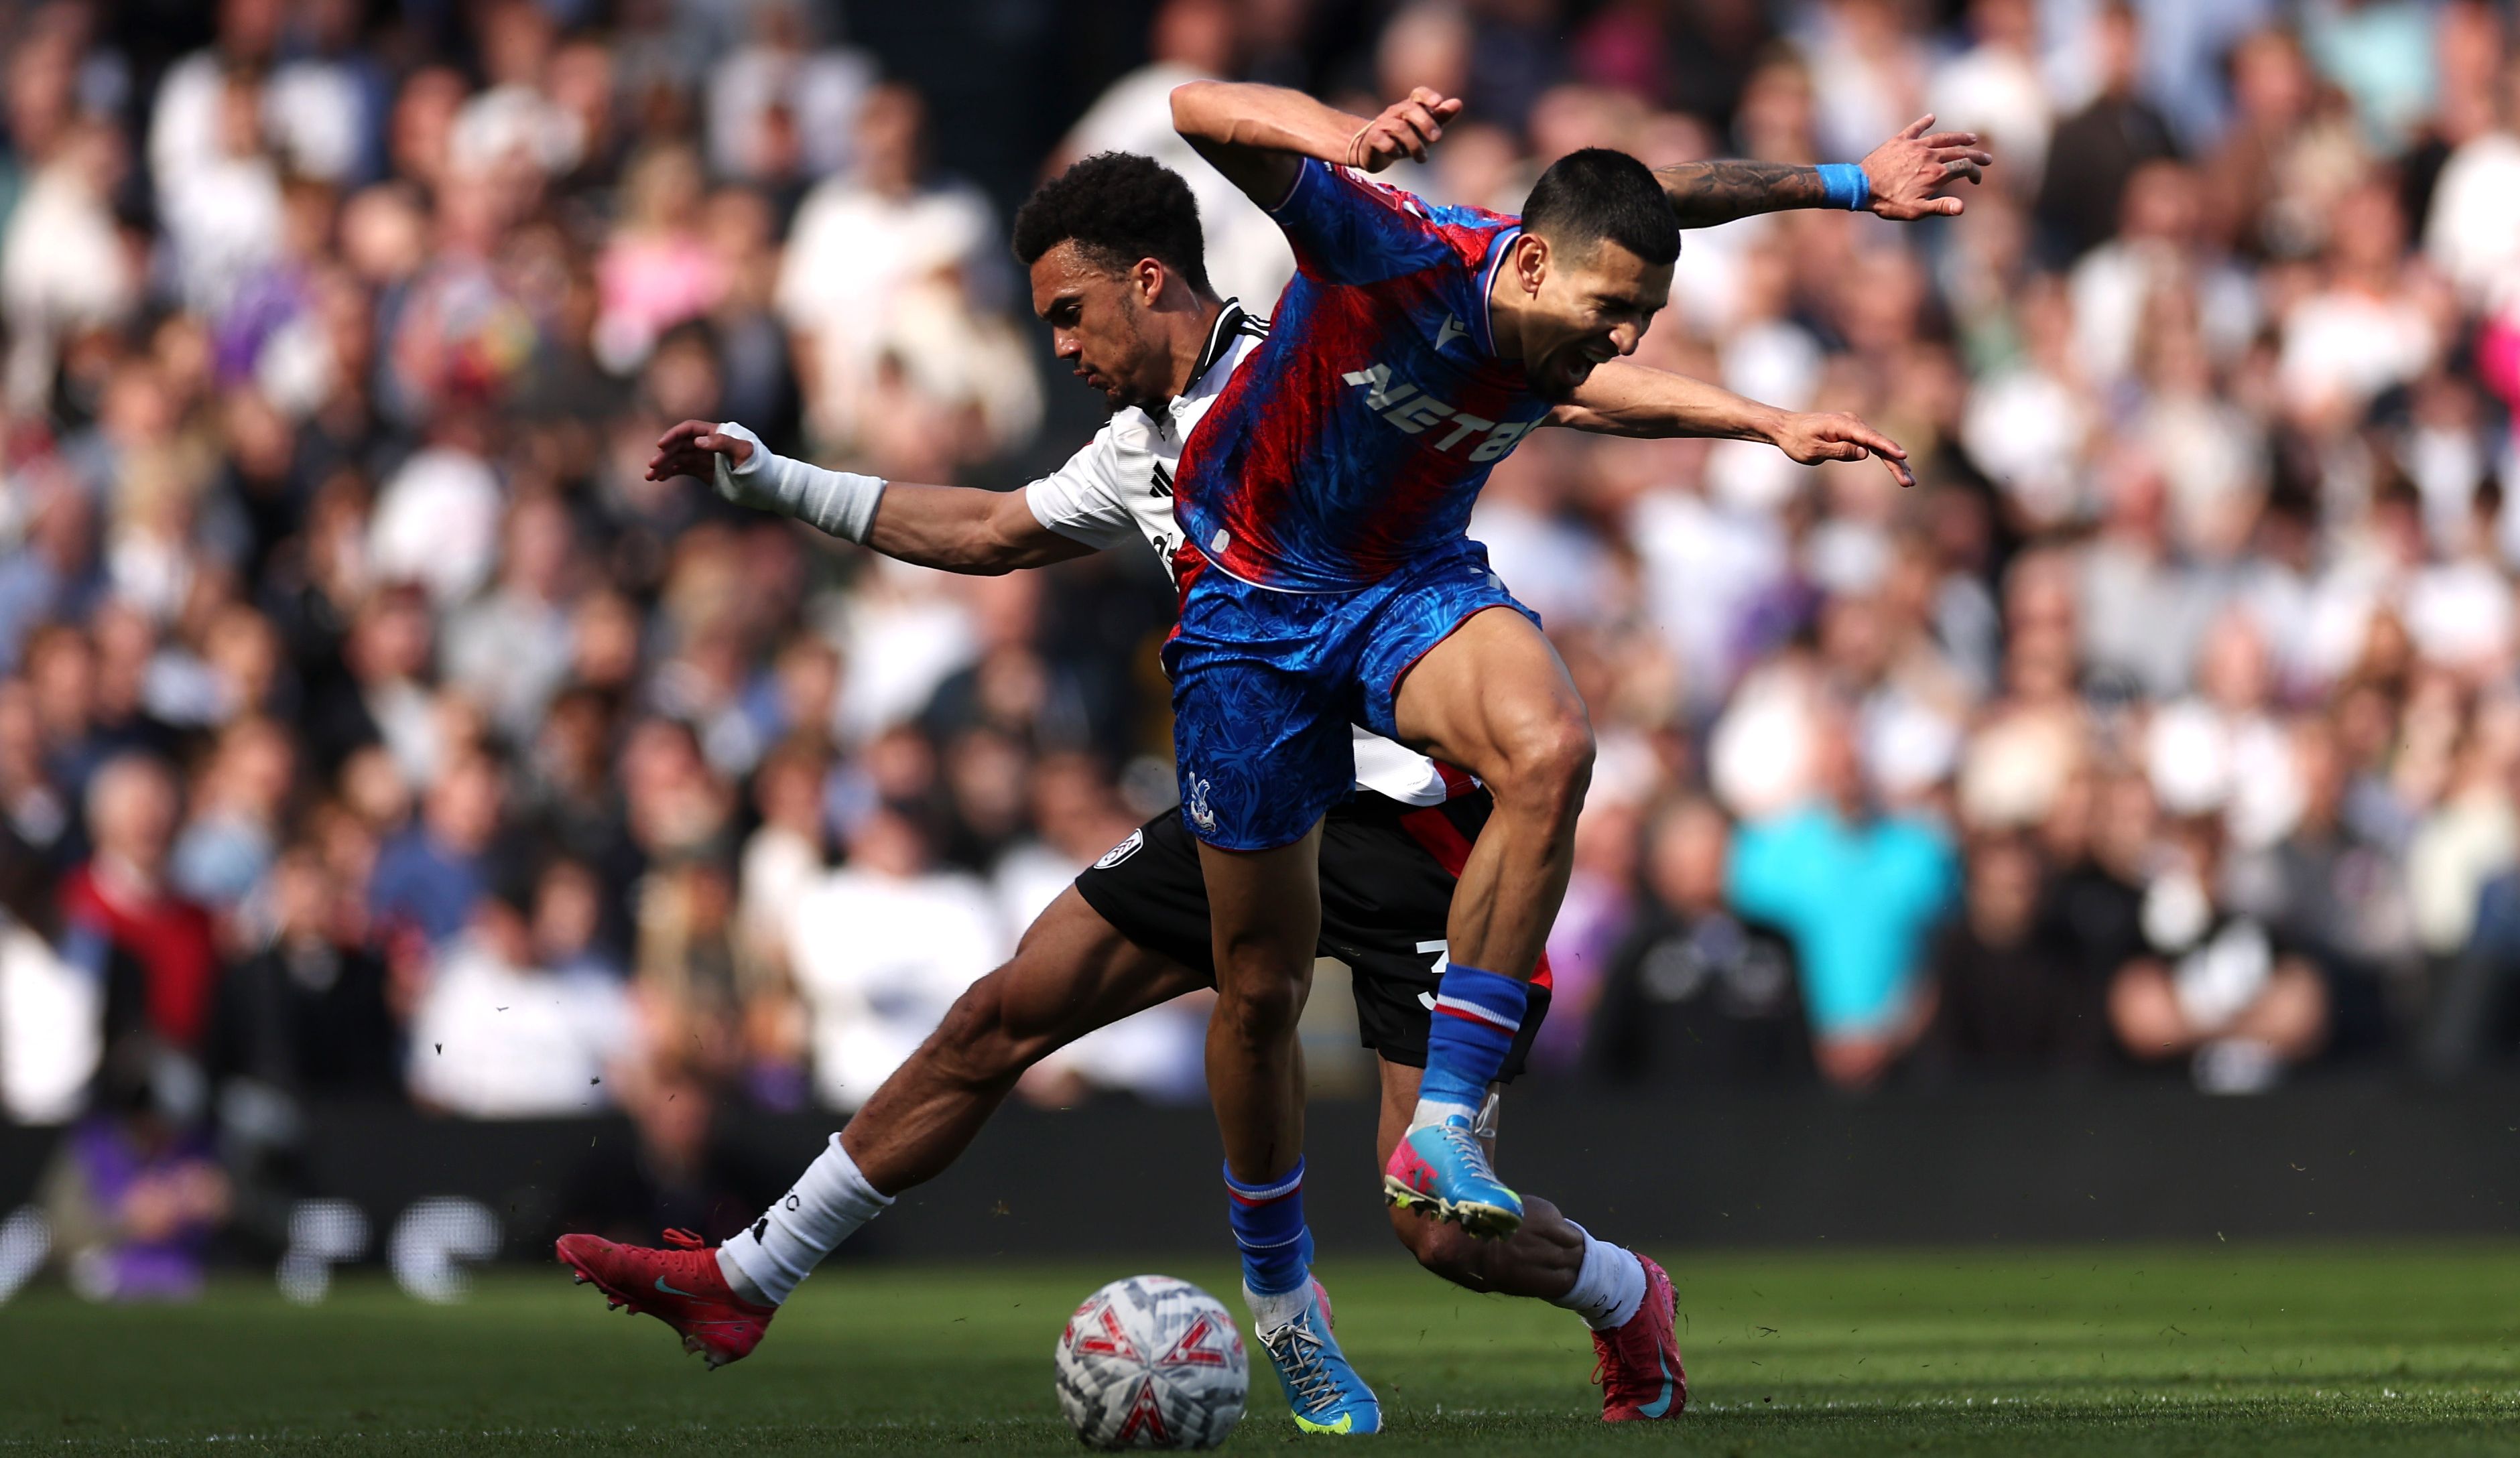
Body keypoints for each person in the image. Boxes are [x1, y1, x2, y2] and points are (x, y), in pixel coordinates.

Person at [550, 149, 1935, 1428]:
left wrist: (1759, 408)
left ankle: (1628, 1292)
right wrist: (772, 475)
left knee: (1443, 1228)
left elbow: (1575, 331)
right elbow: (982, 527)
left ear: (1148, 278)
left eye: (1070, 315)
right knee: (1009, 1012)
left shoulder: (1321, 340)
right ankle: (758, 1274)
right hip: (1264, 775)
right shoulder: (1137, 447)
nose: (1063, 349)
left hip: (1412, 824)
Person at [1155, 78, 1975, 1433]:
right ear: (1530, 264)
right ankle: (1288, 1307)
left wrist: (1832, 211)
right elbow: (1199, 107)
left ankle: (1453, 1123)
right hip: (1249, 610)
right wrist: (1338, 140)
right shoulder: (1391, 242)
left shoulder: (1557, 295)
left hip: (1406, 584)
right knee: (1251, 993)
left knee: (1553, 744)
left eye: (1640, 317)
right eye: (1609, 311)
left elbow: (1663, 198)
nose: (1622, 335)